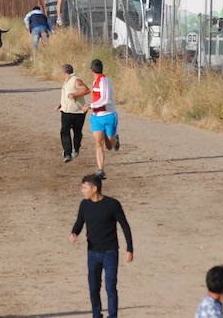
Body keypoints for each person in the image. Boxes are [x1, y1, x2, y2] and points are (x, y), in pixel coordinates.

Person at [69, 173, 133, 318]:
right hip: (92, 252)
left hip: (110, 252)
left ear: (94, 188)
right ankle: (96, 315)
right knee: (93, 287)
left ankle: (112, 316)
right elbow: (79, 222)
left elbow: (125, 226)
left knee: (110, 287)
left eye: (85, 188)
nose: (82, 190)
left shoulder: (112, 204)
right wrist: (74, 233)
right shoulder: (84, 204)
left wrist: (130, 249)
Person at [83, 59, 120, 180]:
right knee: (98, 143)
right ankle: (101, 170)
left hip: (109, 115)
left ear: (92, 70)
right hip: (97, 117)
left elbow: (106, 99)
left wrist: (90, 106)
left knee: (109, 146)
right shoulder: (95, 81)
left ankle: (115, 138)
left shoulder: (104, 81)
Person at [57, 64, 89, 162]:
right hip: (66, 111)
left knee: (77, 132)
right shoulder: (66, 81)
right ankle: (67, 154)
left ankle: (76, 148)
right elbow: (66, 95)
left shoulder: (75, 80)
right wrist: (60, 104)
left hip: (77, 112)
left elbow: (86, 90)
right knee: (64, 131)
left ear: (65, 72)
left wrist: (74, 95)